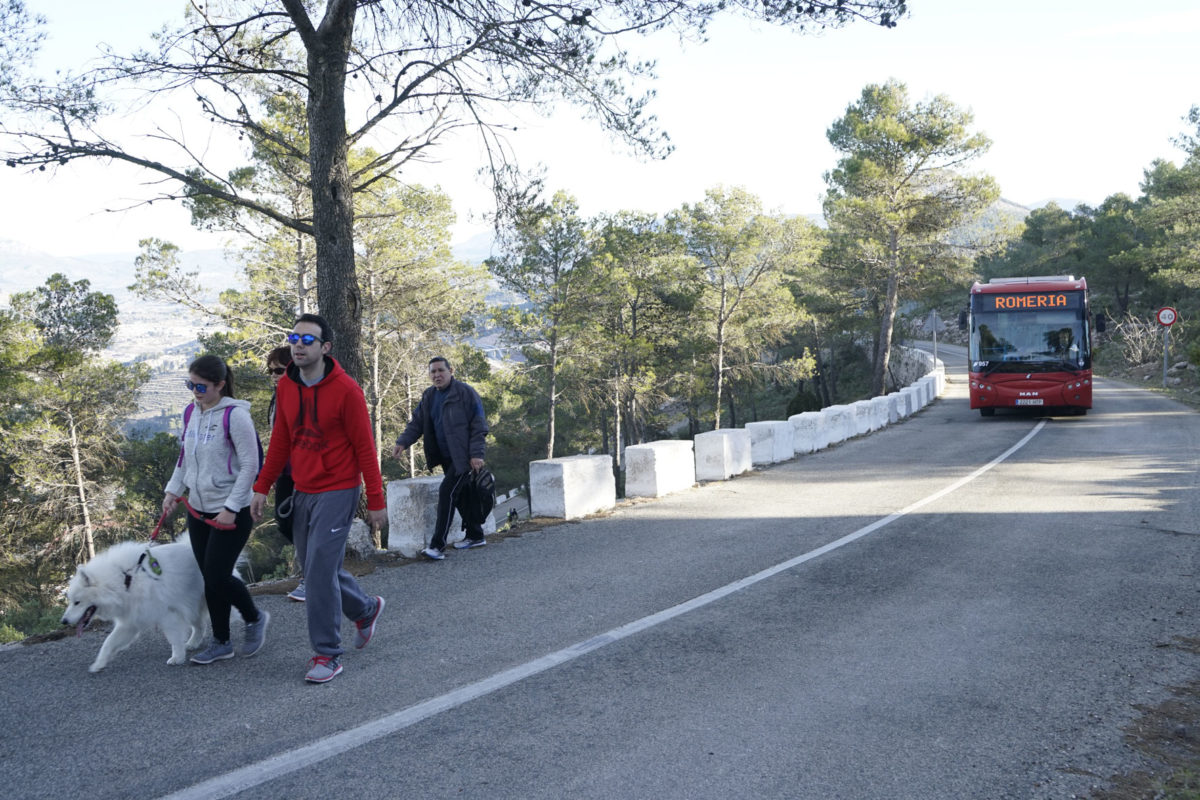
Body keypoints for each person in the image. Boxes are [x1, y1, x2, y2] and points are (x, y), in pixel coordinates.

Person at [250, 314, 387, 684]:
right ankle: (366, 608)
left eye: (308, 340)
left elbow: (364, 448)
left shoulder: (346, 390)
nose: (298, 344)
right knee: (313, 568)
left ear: (325, 348)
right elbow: (281, 440)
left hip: (339, 488)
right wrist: (262, 486)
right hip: (302, 487)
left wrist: (376, 499)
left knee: (319, 572)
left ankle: (326, 654)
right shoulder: (286, 388)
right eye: (294, 337)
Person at [163, 354, 270, 664]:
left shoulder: (235, 416)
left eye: (201, 386)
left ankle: (254, 617)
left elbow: (251, 465)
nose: (195, 391)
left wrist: (231, 507)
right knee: (210, 577)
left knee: (218, 575)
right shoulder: (190, 413)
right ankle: (221, 642)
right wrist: (173, 491)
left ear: (220, 385)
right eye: (190, 384)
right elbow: (185, 458)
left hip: (231, 510)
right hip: (197, 508)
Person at [391, 356, 489, 561]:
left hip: (463, 457)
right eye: (433, 372)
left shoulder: (465, 393)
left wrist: (476, 454)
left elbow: (478, 424)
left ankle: (437, 546)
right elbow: (416, 423)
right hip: (445, 457)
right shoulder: (429, 396)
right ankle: (476, 535)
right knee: (460, 495)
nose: (436, 375)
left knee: (447, 493)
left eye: (440, 371)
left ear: (450, 370)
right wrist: (402, 443)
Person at [265, 345, 305, 603]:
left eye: (279, 370)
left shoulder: (303, 395)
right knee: (284, 522)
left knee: (302, 526)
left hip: (305, 472)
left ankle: (311, 578)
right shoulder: (277, 396)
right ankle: (321, 573)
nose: (275, 375)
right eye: (271, 372)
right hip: (285, 473)